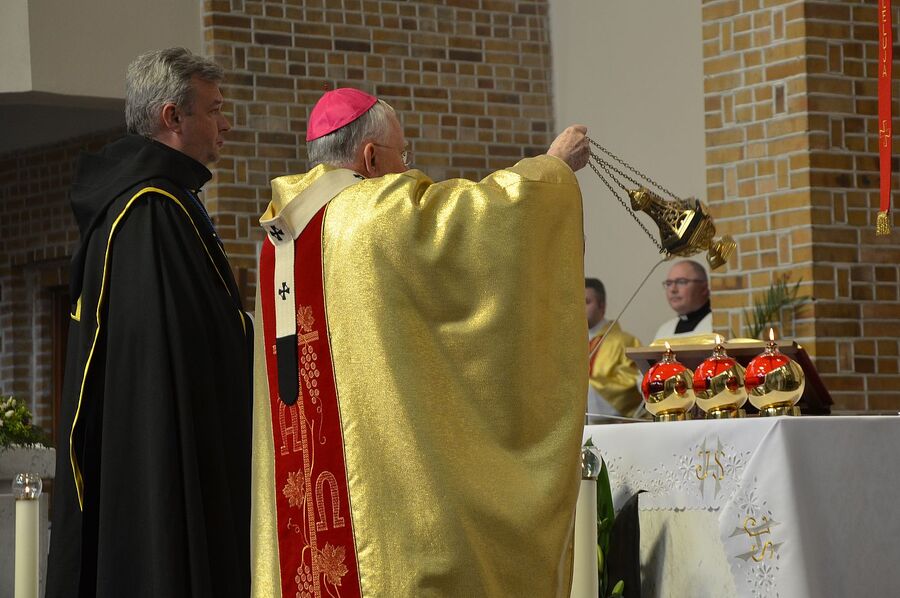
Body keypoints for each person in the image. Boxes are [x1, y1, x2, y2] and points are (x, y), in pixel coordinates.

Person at [251, 87, 589, 597]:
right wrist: (551, 169)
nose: (407, 168)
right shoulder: (372, 213)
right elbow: (485, 217)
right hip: (386, 514)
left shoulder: (280, 235)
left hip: (309, 512)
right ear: (369, 156)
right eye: (403, 156)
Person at [45, 48, 252, 598]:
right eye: (214, 108)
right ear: (172, 117)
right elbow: (176, 361)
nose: (225, 123)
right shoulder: (151, 213)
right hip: (159, 467)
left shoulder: (150, 202)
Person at [585, 278, 644, 418]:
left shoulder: (625, 341)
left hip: (613, 424)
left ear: (602, 306)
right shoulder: (571, 344)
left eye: (586, 302)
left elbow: (632, 385)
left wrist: (583, 389)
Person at [653, 259, 713, 340]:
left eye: (681, 282)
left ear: (703, 288)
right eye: (669, 283)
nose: (673, 289)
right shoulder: (663, 331)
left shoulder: (718, 325)